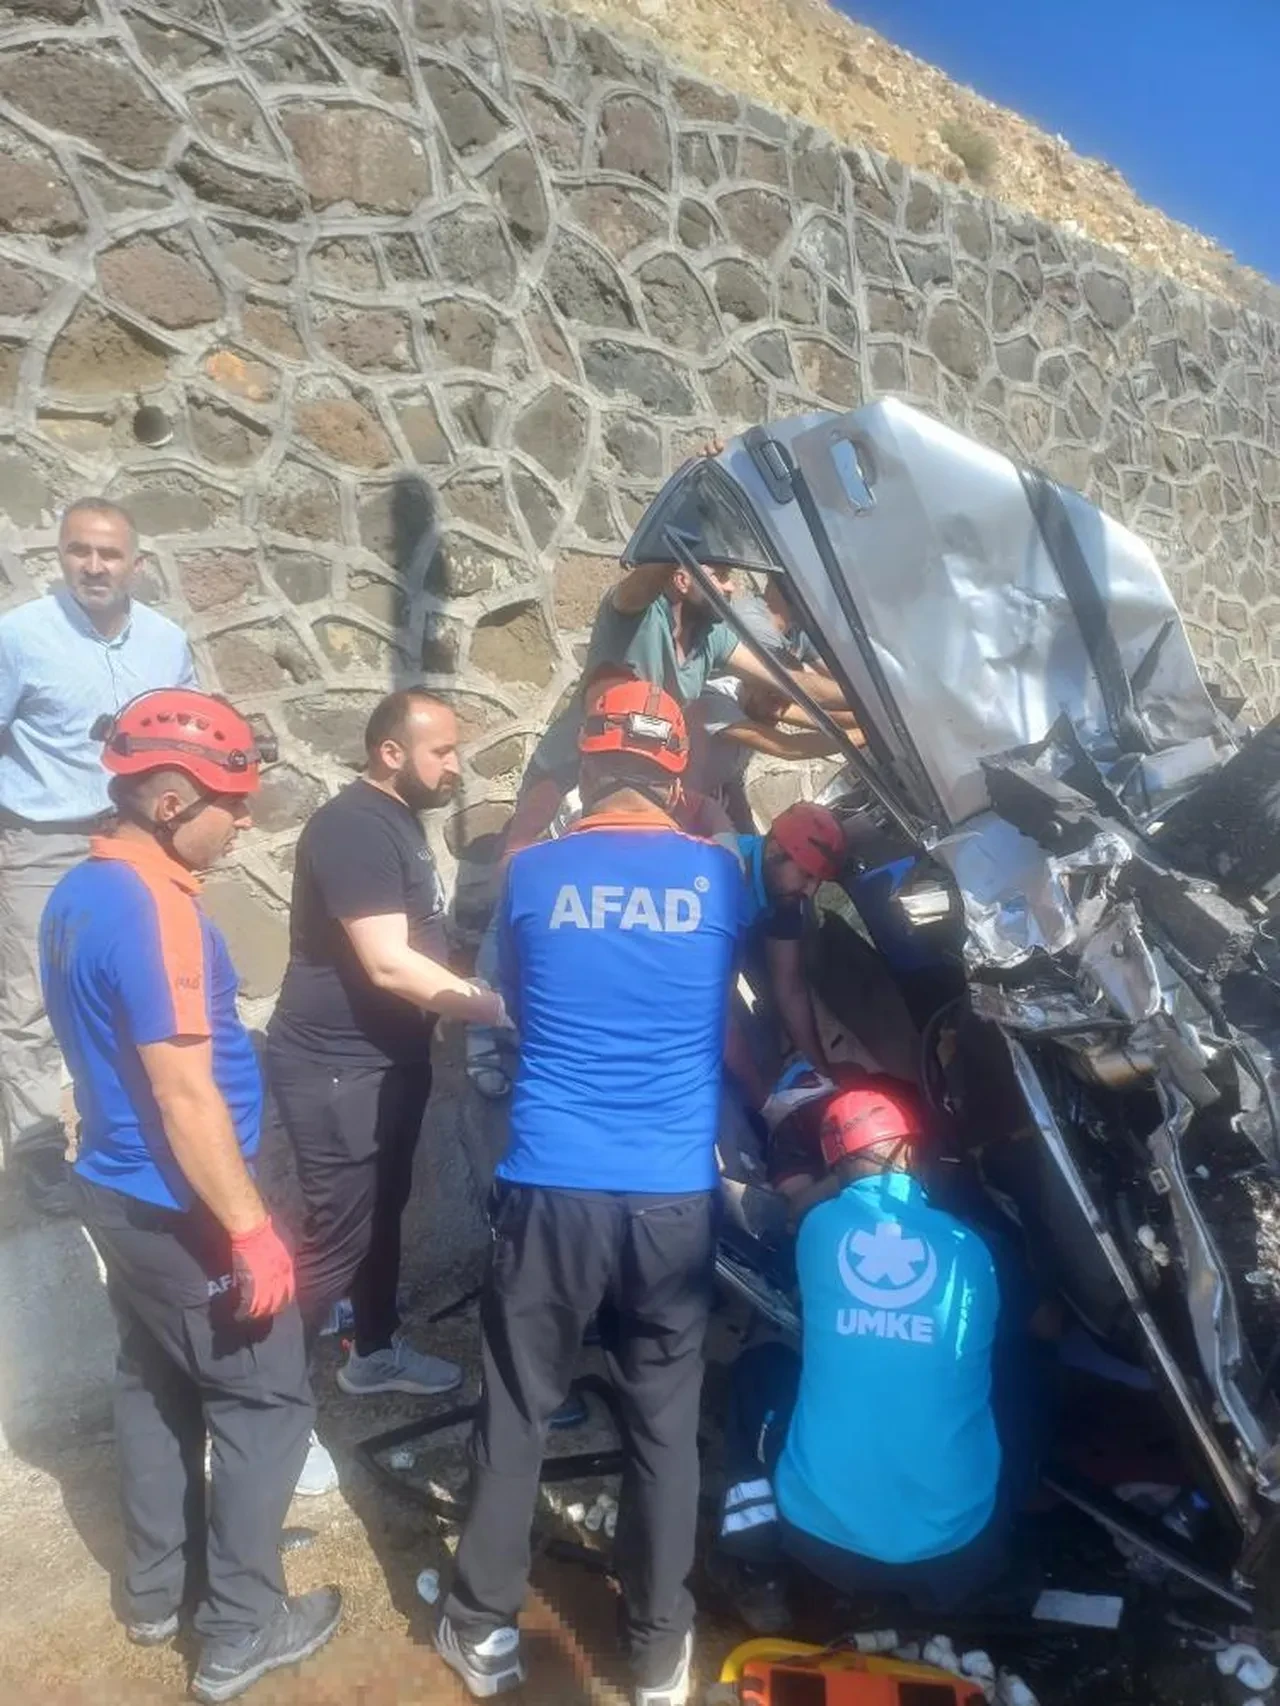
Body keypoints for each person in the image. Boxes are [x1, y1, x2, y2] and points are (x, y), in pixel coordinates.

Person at [436, 681, 744, 1706]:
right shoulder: (721, 876)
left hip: (549, 1182)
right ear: (676, 774)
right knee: (663, 1420)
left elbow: (520, 995)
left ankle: (480, 1627)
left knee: (520, 1405)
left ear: (583, 767)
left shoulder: (530, 875)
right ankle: (656, 1650)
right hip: (669, 1195)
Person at [39, 688, 341, 1703]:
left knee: (156, 1385)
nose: (246, 818)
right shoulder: (153, 908)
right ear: (170, 799)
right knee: (265, 1399)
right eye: (232, 798)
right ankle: (244, 1627)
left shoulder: (76, 891)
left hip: (120, 1200)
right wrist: (251, 1229)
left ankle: (158, 1589)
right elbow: (182, 1088)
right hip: (186, 1207)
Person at [465, 542, 848, 1098]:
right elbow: (641, 577)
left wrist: (874, 711)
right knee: (519, 887)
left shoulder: (712, 638)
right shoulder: (631, 614)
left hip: (647, 786)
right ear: (682, 577)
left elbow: (793, 684)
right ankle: (486, 1037)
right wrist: (684, 528)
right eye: (720, 573)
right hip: (573, 776)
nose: (734, 587)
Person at [265, 691, 508, 1447]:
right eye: (442, 752)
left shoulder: (396, 822)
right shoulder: (351, 826)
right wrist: (494, 1008)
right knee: (335, 1236)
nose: (456, 767)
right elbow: (387, 964)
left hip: (386, 1060)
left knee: (381, 1216)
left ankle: (371, 1353)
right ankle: (270, 1415)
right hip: (338, 1069)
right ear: (390, 753)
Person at [714, 1078, 1031, 1623]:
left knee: (756, 1373)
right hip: (957, 1548)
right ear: (911, 1150)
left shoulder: (818, 1229)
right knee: (1003, 1380)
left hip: (819, 1540)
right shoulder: (974, 1249)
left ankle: (756, 1563)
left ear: (834, 1169)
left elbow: (794, 1216)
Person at [0, 497, 195, 1214]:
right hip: (40, 838)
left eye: (109, 554)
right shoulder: (17, 637)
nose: (94, 566)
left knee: (133, 988)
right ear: (60, 555)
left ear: (135, 565)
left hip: (132, 839)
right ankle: (37, 1152)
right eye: (80, 550)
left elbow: (185, 739)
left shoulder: (166, 641)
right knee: (28, 1003)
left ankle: (132, 1131)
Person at [722, 800, 847, 1113]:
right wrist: (764, 1103)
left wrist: (825, 1075)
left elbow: (788, 986)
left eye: (818, 881)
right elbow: (713, 1012)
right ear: (775, 849)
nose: (810, 891)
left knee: (765, 1051)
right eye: (806, 875)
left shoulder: (787, 899)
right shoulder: (722, 878)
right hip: (673, 985)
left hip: (722, 973)